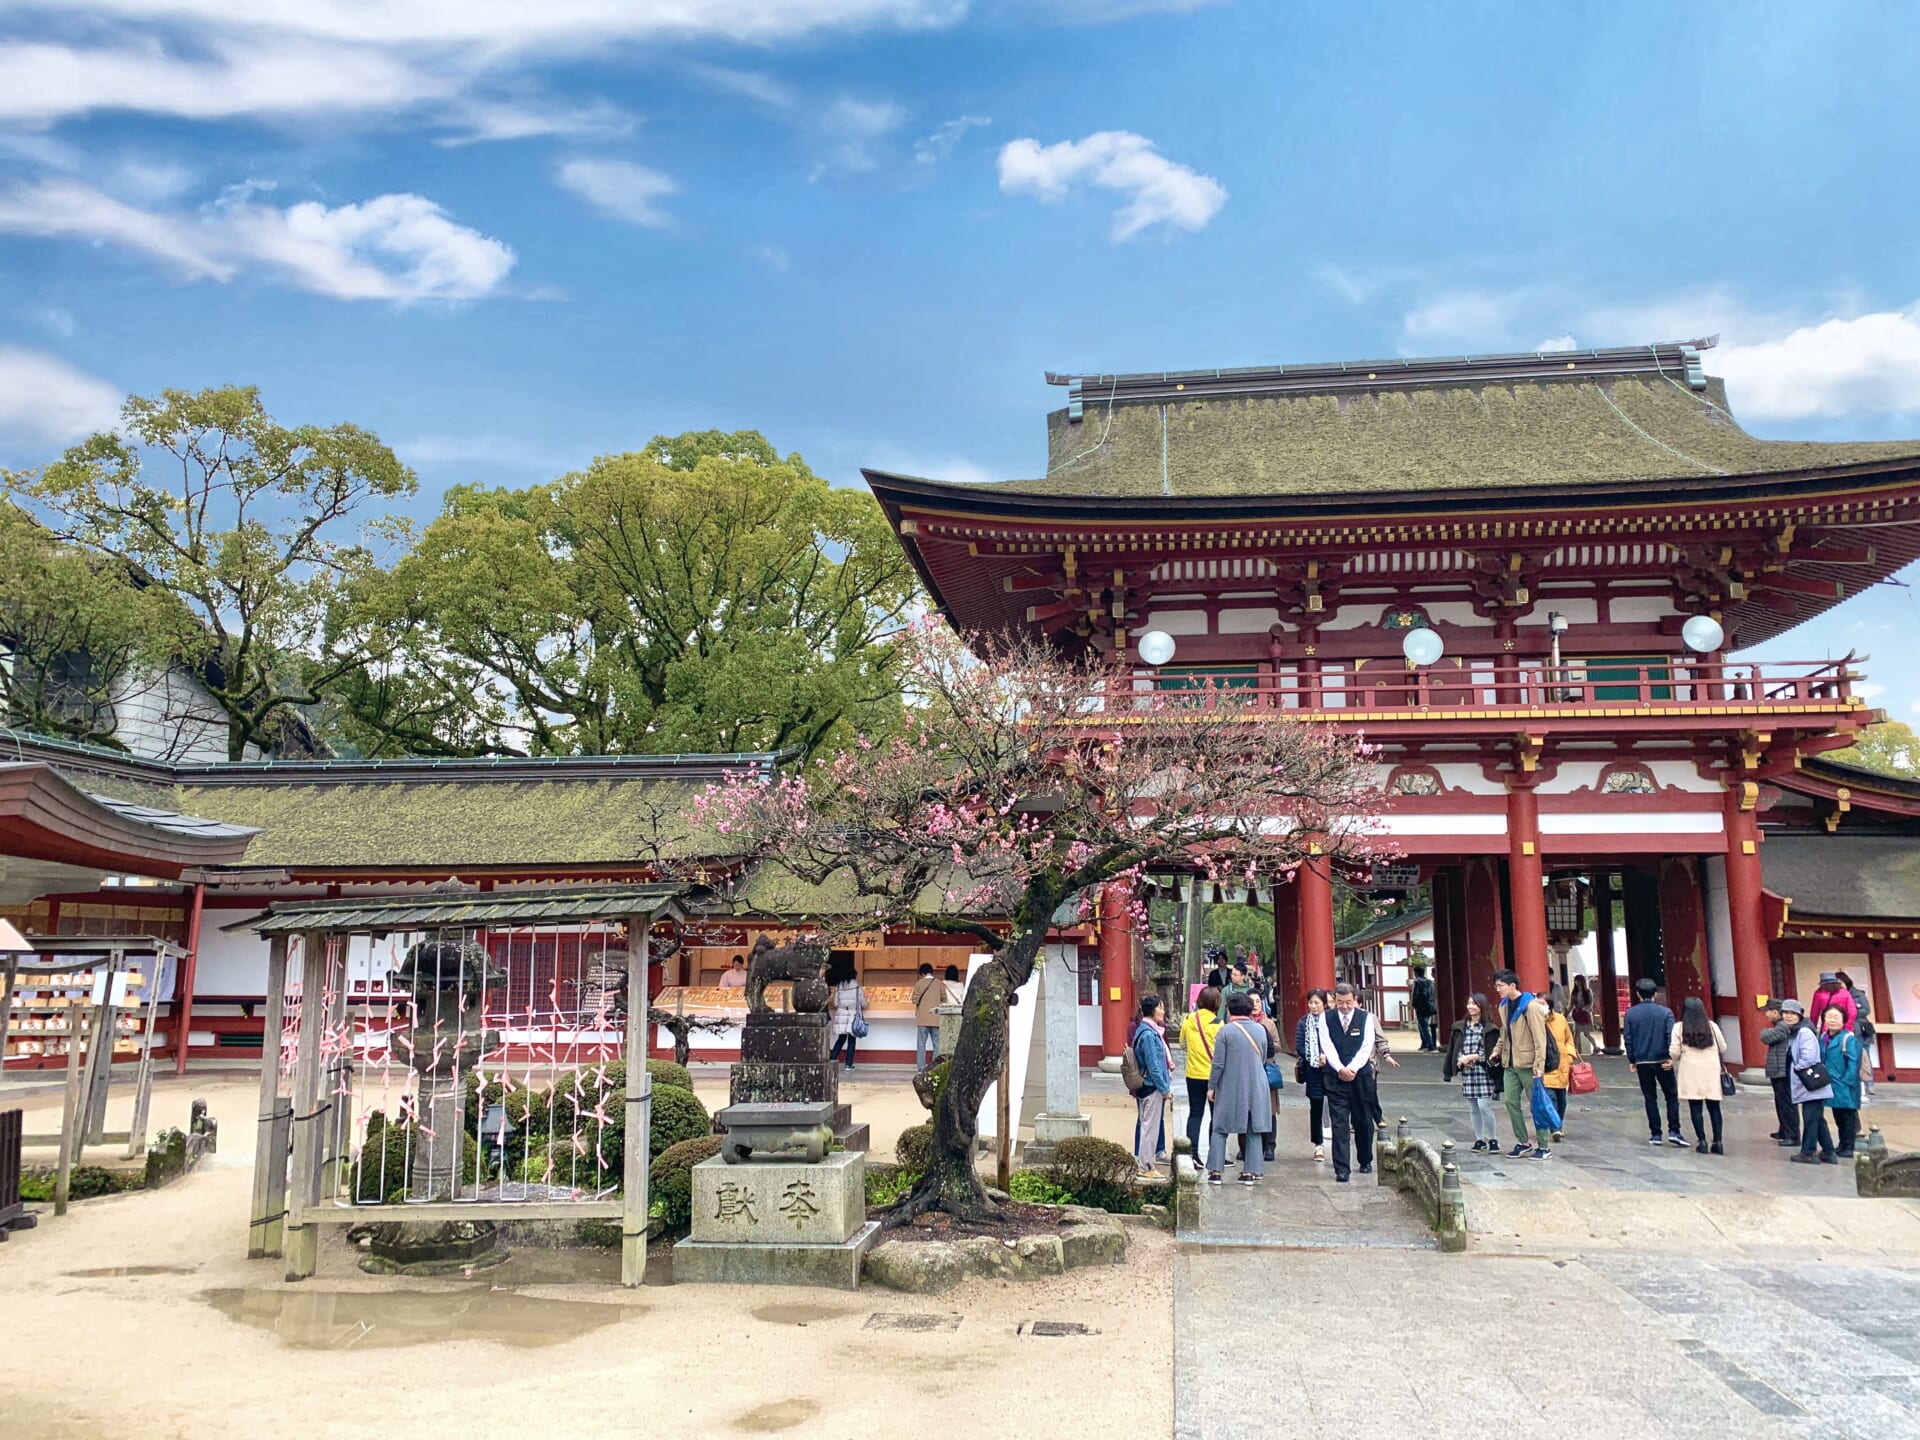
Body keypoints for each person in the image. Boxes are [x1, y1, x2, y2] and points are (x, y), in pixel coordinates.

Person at [1313, 981, 1378, 1183]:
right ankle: (1342, 1168)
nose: (1344, 1006)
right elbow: (1327, 1045)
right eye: (1340, 1002)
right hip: (1335, 1077)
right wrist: (1340, 1068)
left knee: (1363, 1120)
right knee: (1339, 1123)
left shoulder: (1366, 1018)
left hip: (1361, 1077)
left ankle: (1365, 1159)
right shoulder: (1326, 1018)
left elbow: (1367, 1047)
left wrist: (1352, 1068)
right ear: (1334, 1001)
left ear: (1355, 999)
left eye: (1348, 1002)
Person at [1207, 992, 1274, 1185]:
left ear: (1229, 1009)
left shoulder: (1225, 1032)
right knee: (1253, 1128)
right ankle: (1251, 1171)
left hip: (1231, 1084)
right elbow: (1263, 1057)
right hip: (1257, 1083)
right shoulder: (1260, 1030)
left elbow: (1218, 1063)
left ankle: (1216, 1171)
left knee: (1220, 1127)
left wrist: (1212, 1086)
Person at [1491, 969, 1552, 1159]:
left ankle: (1543, 1145)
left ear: (1512, 985)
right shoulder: (1503, 1006)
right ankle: (1523, 1141)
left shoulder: (1531, 1006)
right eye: (1496, 986)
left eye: (1501, 986)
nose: (1498, 989)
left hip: (1528, 1063)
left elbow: (1540, 1038)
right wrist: (1497, 1050)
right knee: (1510, 1101)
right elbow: (1504, 1032)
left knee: (1536, 1104)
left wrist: (1539, 1065)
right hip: (1510, 1063)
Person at [1623, 977, 1686, 1147]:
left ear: (1638, 994)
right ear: (1655, 994)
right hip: (1662, 1059)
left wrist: (1632, 1059)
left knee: (1650, 1097)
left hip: (1643, 1060)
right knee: (1671, 1095)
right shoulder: (1666, 1013)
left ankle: (1655, 1134)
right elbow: (1670, 1037)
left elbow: (1628, 1038)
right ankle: (1674, 1130)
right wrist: (1671, 1057)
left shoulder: (1631, 1013)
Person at [1443, 992, 1502, 1151]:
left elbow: (1491, 1051)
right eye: (1469, 1003)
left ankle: (1493, 1138)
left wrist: (1472, 1057)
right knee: (1473, 1107)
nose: (1471, 1007)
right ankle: (1479, 1139)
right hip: (1468, 1072)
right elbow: (1454, 1049)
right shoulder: (1459, 1027)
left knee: (1484, 1106)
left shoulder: (1490, 1028)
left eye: (1474, 1004)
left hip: (1484, 1072)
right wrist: (1459, 1061)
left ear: (1482, 1006)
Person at [1669, 995, 1728, 1154]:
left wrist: (1671, 1060)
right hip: (1711, 1069)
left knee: (1695, 1106)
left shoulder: (1679, 1027)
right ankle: (1718, 1141)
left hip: (1691, 1069)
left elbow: (1674, 1051)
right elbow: (1723, 1047)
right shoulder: (1712, 1026)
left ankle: (1702, 1141)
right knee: (1714, 1106)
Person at [1789, 999, 1838, 1165]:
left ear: (1799, 1015)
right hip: (1808, 1083)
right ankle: (1829, 1152)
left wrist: (1797, 1068)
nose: (1788, 1016)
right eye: (1785, 1013)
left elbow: (1808, 1057)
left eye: (1792, 1013)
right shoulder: (1795, 1032)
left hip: (1810, 1082)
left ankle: (1808, 1152)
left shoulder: (1804, 1032)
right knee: (1817, 1118)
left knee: (1810, 1118)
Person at [1177, 986, 1224, 1160]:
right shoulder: (1218, 1023)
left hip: (1193, 1074)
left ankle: (1192, 1153)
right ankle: (1215, 1154)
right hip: (1214, 1077)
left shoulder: (1189, 1019)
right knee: (1216, 1115)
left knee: (1195, 1114)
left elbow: (1182, 1044)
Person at [1131, 995, 1174, 1178]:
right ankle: (1146, 1166)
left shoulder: (1145, 1030)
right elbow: (1154, 1065)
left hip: (1146, 1085)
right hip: (1151, 1086)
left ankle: (1146, 1164)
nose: (1163, 1011)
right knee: (1150, 1127)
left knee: (1147, 1125)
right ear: (1152, 1010)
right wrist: (1164, 1089)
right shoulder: (1149, 1034)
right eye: (1160, 1008)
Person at [1293, 988, 1330, 1162]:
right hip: (1313, 1070)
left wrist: (1326, 1055)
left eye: (1317, 1003)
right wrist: (1314, 1056)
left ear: (1324, 1004)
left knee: (1337, 1105)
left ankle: (1338, 1140)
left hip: (1331, 1069)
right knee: (1316, 1106)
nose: (1313, 1006)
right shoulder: (1303, 1023)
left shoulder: (1331, 1021)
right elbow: (1300, 1046)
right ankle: (1318, 1144)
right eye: (1311, 1003)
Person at [1822, 1002, 1864, 1159]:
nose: (1832, 1020)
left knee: (1848, 1117)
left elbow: (1854, 1063)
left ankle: (1848, 1146)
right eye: (1829, 1017)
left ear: (1843, 1019)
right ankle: (1842, 1144)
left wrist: (1847, 1081)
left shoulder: (1848, 1039)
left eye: (1836, 1017)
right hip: (1831, 1083)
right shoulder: (1824, 1037)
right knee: (1838, 1116)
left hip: (1845, 1084)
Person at [1757, 1000, 1801, 1147]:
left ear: (1775, 1012)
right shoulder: (1780, 1026)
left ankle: (1792, 1135)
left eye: (1768, 1011)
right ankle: (1784, 1130)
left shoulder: (1782, 1027)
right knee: (1780, 1102)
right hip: (1778, 1069)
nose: (1766, 1015)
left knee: (1786, 1103)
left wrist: (1766, 1031)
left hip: (1782, 1070)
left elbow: (1765, 1037)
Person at [1249, 993, 1285, 1163]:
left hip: (1266, 1068)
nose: (1255, 1004)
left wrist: (1266, 1040)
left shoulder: (1269, 1023)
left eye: (1258, 1001)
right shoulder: (1241, 1022)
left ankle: (1270, 1145)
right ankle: (1249, 1144)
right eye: (1252, 1001)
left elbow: (1278, 1046)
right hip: (1248, 1069)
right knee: (1249, 1110)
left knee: (1270, 1110)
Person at [1542, 995, 1577, 1142]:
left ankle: (1558, 1125)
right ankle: (1555, 1128)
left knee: (1562, 1101)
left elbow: (1569, 1039)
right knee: (1551, 1099)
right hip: (1546, 1066)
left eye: (1542, 1003)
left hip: (1562, 1065)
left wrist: (1569, 1056)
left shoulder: (1560, 1019)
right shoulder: (1536, 1021)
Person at [826, 955, 865, 1071]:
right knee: (852, 1040)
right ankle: (848, 1064)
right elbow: (863, 1002)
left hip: (842, 1015)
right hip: (853, 1015)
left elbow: (836, 1003)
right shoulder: (857, 987)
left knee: (841, 1038)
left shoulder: (839, 986)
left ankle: (832, 1058)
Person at [910, 962, 942, 1071]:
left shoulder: (919, 984)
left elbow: (914, 1000)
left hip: (922, 1019)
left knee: (921, 1045)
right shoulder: (939, 983)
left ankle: (921, 1068)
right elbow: (944, 999)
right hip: (936, 1018)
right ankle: (935, 1067)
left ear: (922, 973)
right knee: (937, 1044)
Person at [1410, 964, 1438, 1052]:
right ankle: (1425, 1044)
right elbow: (1431, 993)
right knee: (1424, 1025)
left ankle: (1429, 1045)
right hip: (1429, 1005)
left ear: (1416, 973)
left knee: (1423, 1026)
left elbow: (1415, 994)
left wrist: (1413, 1004)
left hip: (1420, 1006)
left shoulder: (1417, 982)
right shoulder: (1429, 982)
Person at [1569, 978, 1596, 1056]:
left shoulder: (1588, 991)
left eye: (1579, 981)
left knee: (1586, 1033)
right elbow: (1571, 1004)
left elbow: (1591, 1002)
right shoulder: (1574, 992)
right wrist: (1568, 1012)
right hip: (1578, 1015)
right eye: (1576, 981)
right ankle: (1575, 1050)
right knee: (1577, 1033)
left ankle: (1595, 1047)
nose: (1577, 983)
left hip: (1585, 1015)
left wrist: (1585, 1009)